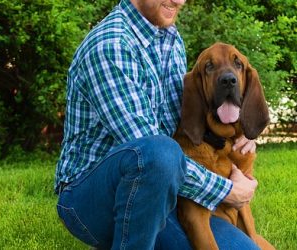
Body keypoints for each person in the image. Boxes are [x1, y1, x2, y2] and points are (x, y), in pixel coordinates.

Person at [54, 0, 259, 249]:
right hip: (90, 197)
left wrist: (244, 127)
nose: (178, 1)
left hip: (161, 191)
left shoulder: (170, 40)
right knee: (160, 151)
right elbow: (150, 152)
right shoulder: (111, 46)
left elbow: (189, 115)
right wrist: (226, 190)